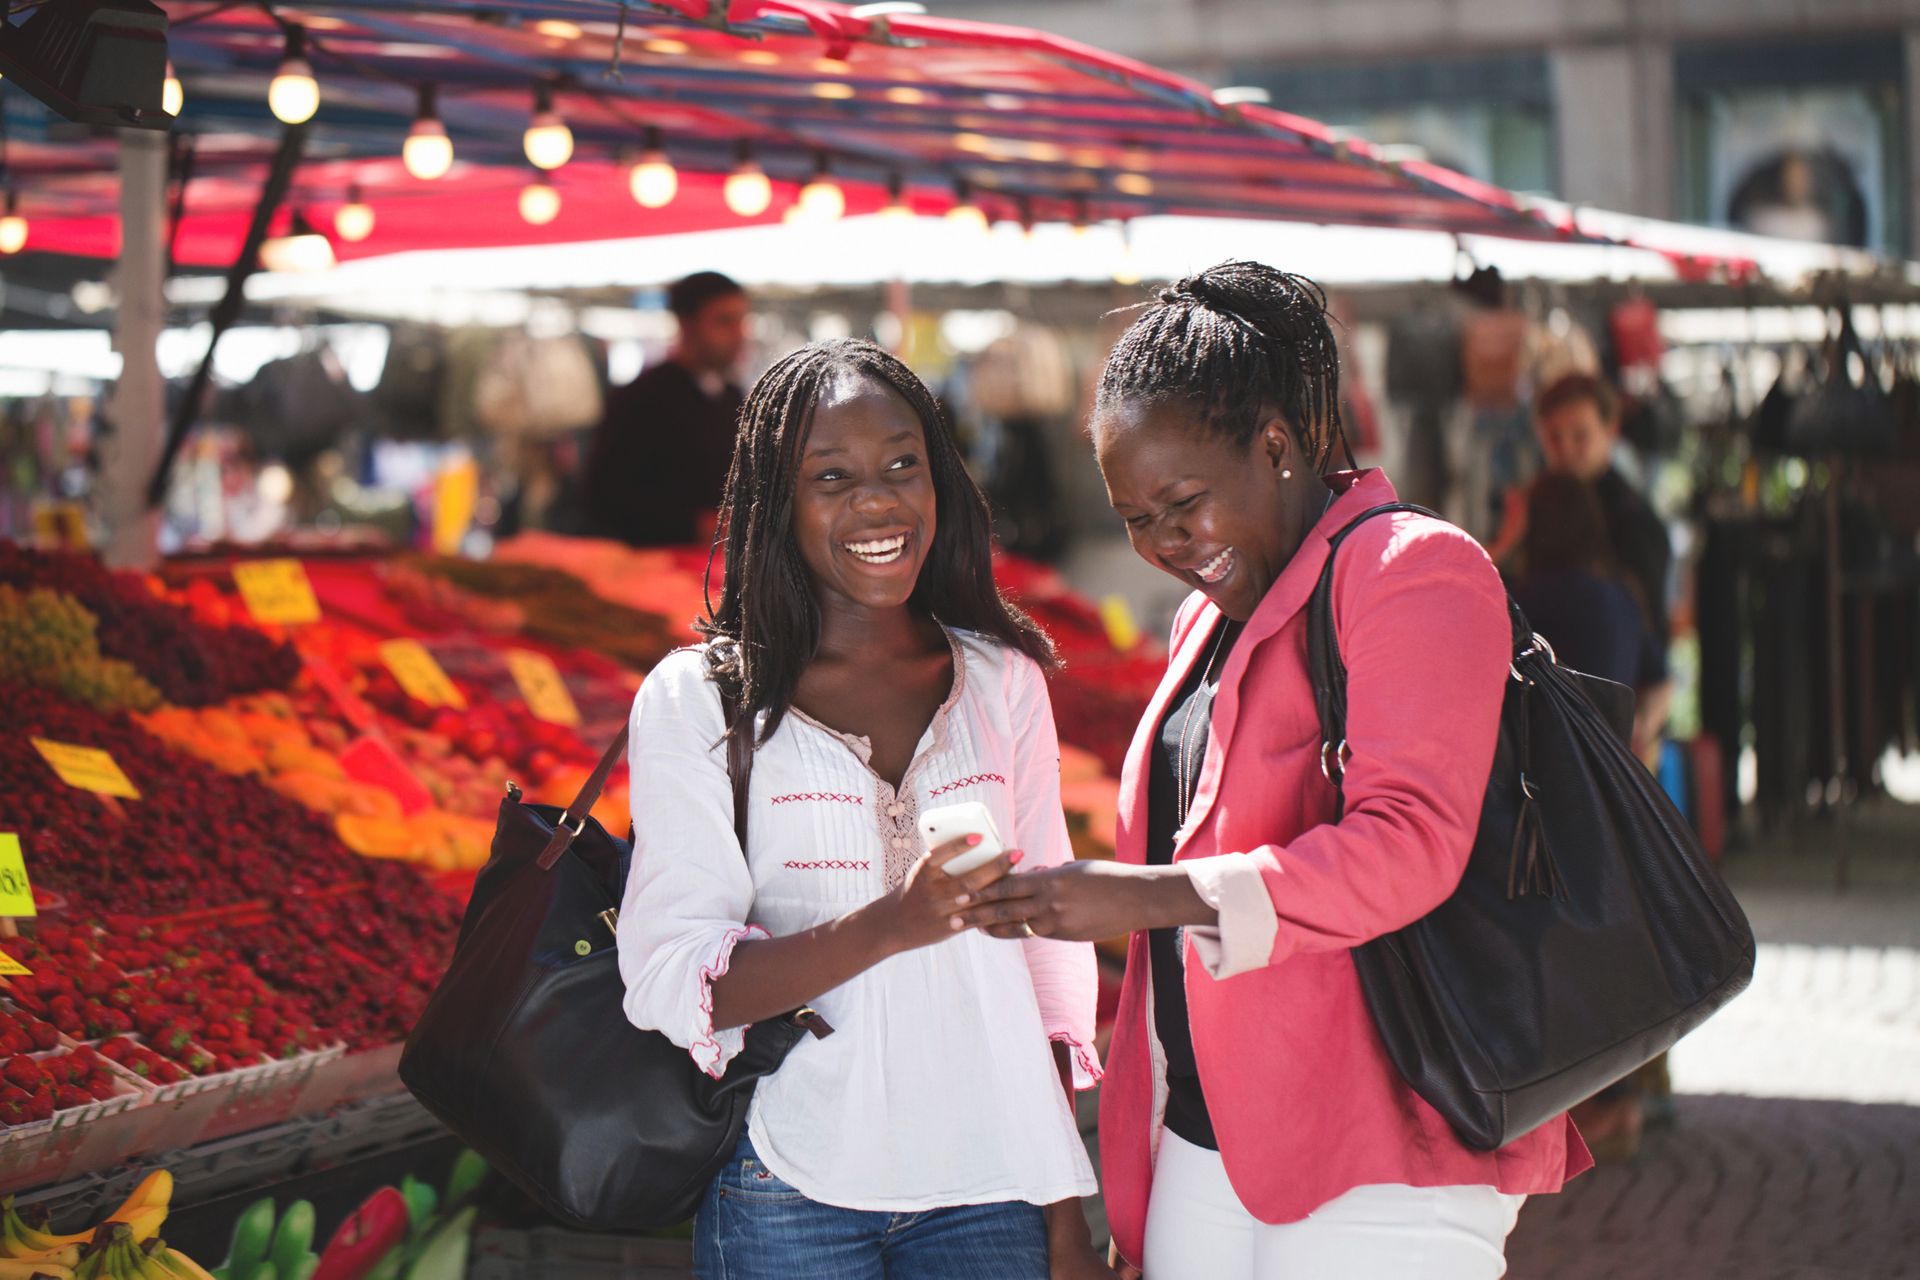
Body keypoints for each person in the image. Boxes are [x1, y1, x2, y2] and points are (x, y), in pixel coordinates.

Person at [954, 262, 1591, 1279]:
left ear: (1279, 443)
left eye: (1184, 503)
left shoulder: (1412, 570)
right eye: (1134, 517)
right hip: (1206, 1143)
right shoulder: (1208, 615)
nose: (1163, 541)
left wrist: (1145, 896)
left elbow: (1412, 842)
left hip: (1388, 1141)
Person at [616, 338, 1112, 1280]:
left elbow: (1047, 973)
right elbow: (675, 980)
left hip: (992, 1187)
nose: (876, 501)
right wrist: (891, 925)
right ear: (776, 504)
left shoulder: (1000, 682)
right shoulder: (699, 701)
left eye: (901, 466)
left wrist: (1064, 1219)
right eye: (830, 476)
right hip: (787, 1184)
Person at [1492, 372, 1674, 760]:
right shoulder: (1537, 506)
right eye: (1555, 438)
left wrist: (1640, 731)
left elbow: (1653, 639)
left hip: (1623, 734)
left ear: (1610, 430)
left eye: (1580, 435)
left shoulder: (1635, 524)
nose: (1566, 450)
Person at [583, 271, 750, 546]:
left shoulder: (732, 396)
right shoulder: (639, 398)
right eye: (724, 321)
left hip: (715, 566)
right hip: (651, 569)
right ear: (687, 325)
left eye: (742, 321)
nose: (738, 334)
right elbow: (603, 497)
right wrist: (692, 525)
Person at [1508, 473, 1664, 693]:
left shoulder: (1540, 595)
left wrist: (1504, 542)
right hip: (1604, 726)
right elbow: (1661, 680)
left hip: (1555, 725)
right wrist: (1636, 725)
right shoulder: (1624, 595)